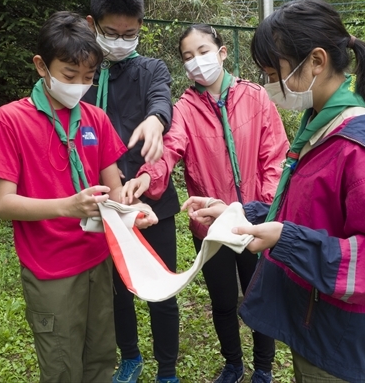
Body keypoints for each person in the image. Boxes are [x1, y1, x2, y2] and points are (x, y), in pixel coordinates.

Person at [182, 0, 365, 383]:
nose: (268, 85)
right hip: (315, 313)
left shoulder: (360, 150)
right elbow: (306, 210)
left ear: (316, 61)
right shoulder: (320, 126)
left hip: (336, 332)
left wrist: (287, 240)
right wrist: (240, 213)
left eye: (273, 72)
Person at [0, 11, 157, 383]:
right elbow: (3, 203)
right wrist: (68, 206)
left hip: (97, 259)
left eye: (89, 78)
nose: (79, 85)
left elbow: (113, 190)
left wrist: (134, 207)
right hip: (51, 270)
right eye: (69, 75)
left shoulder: (95, 118)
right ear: (41, 65)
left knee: (100, 360)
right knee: (62, 367)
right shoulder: (11, 120)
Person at [123, 24, 290, 383]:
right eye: (187, 57)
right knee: (224, 301)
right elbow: (169, 149)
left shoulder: (256, 96)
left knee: (258, 296)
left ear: (222, 51)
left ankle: (263, 369)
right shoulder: (183, 108)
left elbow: (274, 158)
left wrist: (260, 208)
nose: (197, 62)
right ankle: (233, 364)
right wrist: (147, 176)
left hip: (251, 221)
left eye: (202, 51)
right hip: (210, 225)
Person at [83, 0, 181, 383]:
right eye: (110, 33)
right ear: (93, 24)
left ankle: (168, 370)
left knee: (162, 287)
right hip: (105, 201)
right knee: (117, 289)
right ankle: (130, 356)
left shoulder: (151, 69)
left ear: (141, 26)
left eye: (129, 34)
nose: (120, 41)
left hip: (151, 199)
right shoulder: (82, 75)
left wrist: (157, 120)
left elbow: (162, 99)